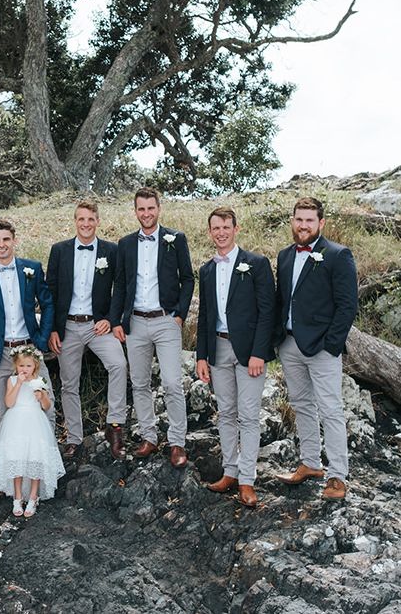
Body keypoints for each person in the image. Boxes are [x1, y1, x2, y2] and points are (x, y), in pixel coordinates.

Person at [274, 197, 358, 500]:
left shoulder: (337, 255)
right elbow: (282, 300)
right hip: (290, 344)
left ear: (320, 223)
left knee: (331, 410)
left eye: (309, 220)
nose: (303, 225)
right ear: (293, 221)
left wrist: (332, 345)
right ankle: (310, 463)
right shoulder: (284, 256)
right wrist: (278, 339)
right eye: (299, 219)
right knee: (302, 405)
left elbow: (348, 306)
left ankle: (337, 476)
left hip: (322, 348)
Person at [196, 207, 275, 507]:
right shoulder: (207, 270)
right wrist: (202, 356)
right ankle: (229, 471)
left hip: (248, 352)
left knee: (249, 415)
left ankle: (247, 480)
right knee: (226, 412)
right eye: (215, 228)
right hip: (218, 350)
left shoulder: (256, 263)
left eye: (226, 227)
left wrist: (259, 353)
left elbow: (268, 311)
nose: (221, 232)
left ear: (236, 228)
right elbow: (205, 316)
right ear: (210, 232)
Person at [110, 187, 194, 465]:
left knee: (172, 382)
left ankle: (177, 442)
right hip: (135, 322)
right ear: (135, 211)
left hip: (166, 320)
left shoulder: (175, 239)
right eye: (141, 209)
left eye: (151, 208)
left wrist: (180, 314)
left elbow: (188, 278)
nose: (146, 214)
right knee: (140, 383)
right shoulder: (125, 244)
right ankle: (149, 436)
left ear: (159, 208)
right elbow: (120, 284)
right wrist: (116, 321)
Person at [47, 199, 128, 459]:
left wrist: (111, 319)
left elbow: (120, 289)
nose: (86, 224)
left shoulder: (111, 251)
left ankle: (114, 427)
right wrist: (52, 329)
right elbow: (50, 292)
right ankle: (74, 437)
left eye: (90, 219)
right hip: (68, 327)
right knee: (69, 383)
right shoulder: (59, 250)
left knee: (118, 364)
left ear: (98, 222)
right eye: (81, 219)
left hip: (97, 326)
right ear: (75, 221)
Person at [0, 220, 55, 425]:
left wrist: (41, 339)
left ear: (14, 241)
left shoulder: (32, 269)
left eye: (6, 239)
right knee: (4, 413)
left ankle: (46, 456)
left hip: (29, 348)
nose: (1, 244)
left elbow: (48, 304)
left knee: (45, 407)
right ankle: (8, 458)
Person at [0, 347, 65, 517]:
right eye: (21, 366)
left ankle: (33, 496)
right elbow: (9, 403)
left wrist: (43, 397)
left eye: (28, 366)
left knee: (35, 457)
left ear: (35, 366)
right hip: (16, 421)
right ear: (16, 367)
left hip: (35, 421)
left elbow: (47, 407)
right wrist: (18, 383)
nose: (24, 369)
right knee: (16, 457)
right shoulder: (12, 381)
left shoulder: (40, 381)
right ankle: (17, 496)